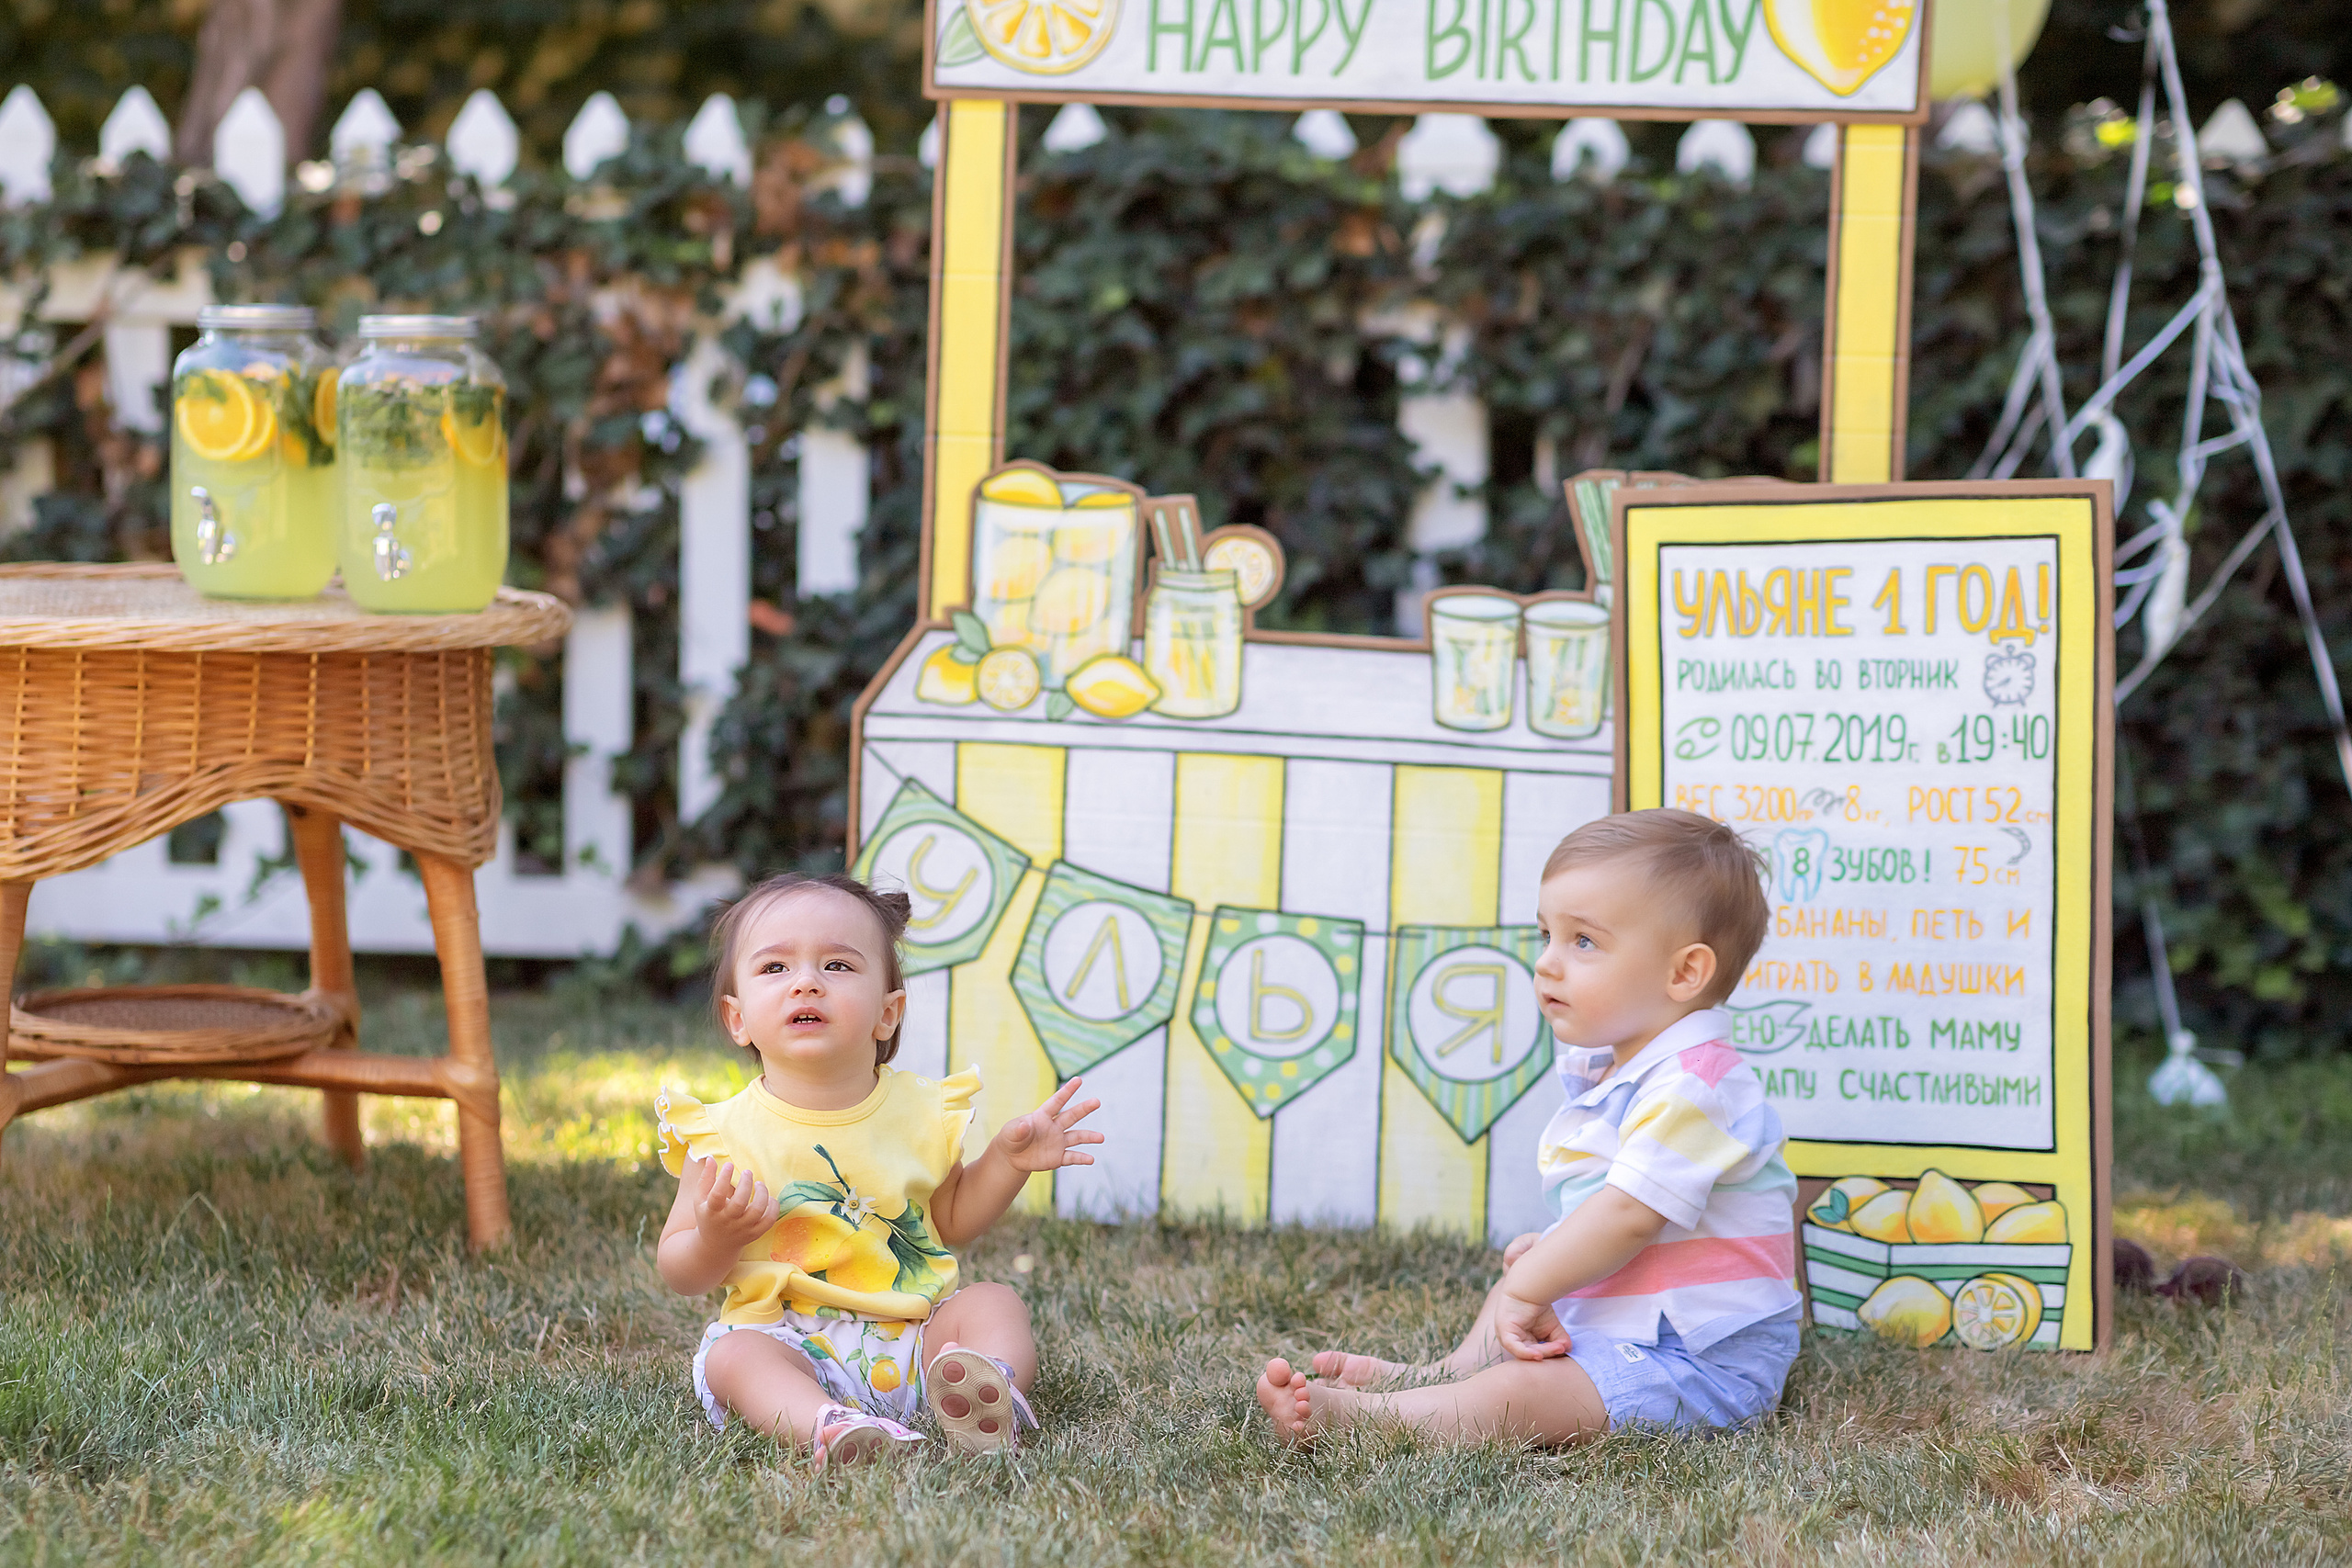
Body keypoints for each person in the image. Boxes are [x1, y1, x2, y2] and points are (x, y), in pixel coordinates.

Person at [1257, 809, 1800, 1444]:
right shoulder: (1625, 1075)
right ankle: (1447, 1373)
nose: (1546, 963)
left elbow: (1630, 1216)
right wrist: (1554, 1249)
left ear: (1683, 973)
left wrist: (1532, 1284)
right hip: (1629, 1329)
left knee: (1524, 1389)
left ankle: (1369, 1421)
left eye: (1583, 941)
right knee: (1529, 1272)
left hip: (1699, 1363)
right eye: (1546, 934)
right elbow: (1620, 1219)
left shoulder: (1698, 1084)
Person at [655, 873, 1103, 1467]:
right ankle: (828, 1424)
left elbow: (952, 1219)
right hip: (790, 1341)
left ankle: (984, 1389)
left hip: (919, 1341)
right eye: (775, 968)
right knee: (733, 1356)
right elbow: (678, 1269)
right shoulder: (719, 1134)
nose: (806, 982)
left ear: (887, 1013)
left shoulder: (921, 1113)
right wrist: (715, 1237)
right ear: (737, 1018)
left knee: (995, 1301)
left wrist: (1007, 1161)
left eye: (837, 965)